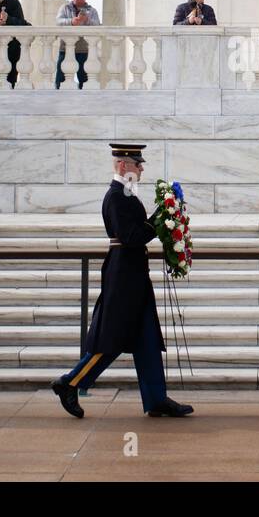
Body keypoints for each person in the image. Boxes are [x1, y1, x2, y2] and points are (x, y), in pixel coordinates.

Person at [51, 144, 194, 418]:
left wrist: (161, 219)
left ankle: (156, 399)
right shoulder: (116, 196)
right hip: (123, 277)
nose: (141, 168)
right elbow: (131, 237)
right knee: (110, 339)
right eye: (136, 163)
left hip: (133, 274)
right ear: (121, 166)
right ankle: (70, 382)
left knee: (148, 340)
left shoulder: (127, 194)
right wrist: (160, 220)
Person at [55, 0, 100, 89]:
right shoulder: (65, 8)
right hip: (65, 49)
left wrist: (86, 20)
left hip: (84, 51)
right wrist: (72, 21)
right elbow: (58, 21)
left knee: (84, 83)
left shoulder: (91, 10)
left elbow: (98, 24)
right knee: (60, 81)